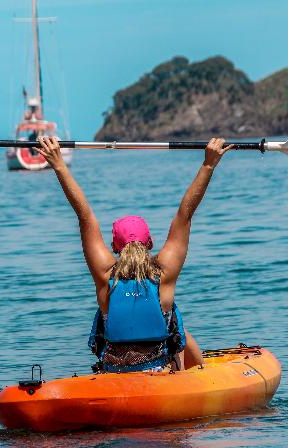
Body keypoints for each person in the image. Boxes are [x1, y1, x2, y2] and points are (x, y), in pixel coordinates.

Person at [35, 136, 233, 373]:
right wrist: (208, 165)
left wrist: (58, 164)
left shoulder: (105, 273)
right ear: (149, 242)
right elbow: (184, 215)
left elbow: (84, 215)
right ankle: (202, 376)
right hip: (159, 372)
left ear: (115, 246)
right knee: (180, 331)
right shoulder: (164, 272)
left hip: (113, 373)